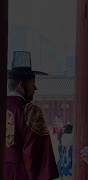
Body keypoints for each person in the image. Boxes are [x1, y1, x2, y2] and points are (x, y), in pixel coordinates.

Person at [5, 51, 59, 180]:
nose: (35, 88)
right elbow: (34, 156)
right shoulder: (31, 111)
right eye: (32, 82)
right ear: (20, 85)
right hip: (19, 174)